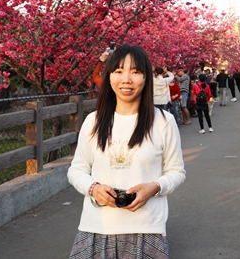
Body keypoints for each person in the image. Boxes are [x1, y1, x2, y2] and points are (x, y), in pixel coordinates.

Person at [67, 45, 186, 259]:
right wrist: (93, 188)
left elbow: (177, 171)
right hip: (97, 227)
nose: (127, 79)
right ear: (110, 76)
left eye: (136, 72)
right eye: (119, 71)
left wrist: (155, 187)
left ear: (146, 78)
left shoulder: (163, 122)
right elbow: (77, 170)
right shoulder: (93, 121)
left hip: (147, 229)